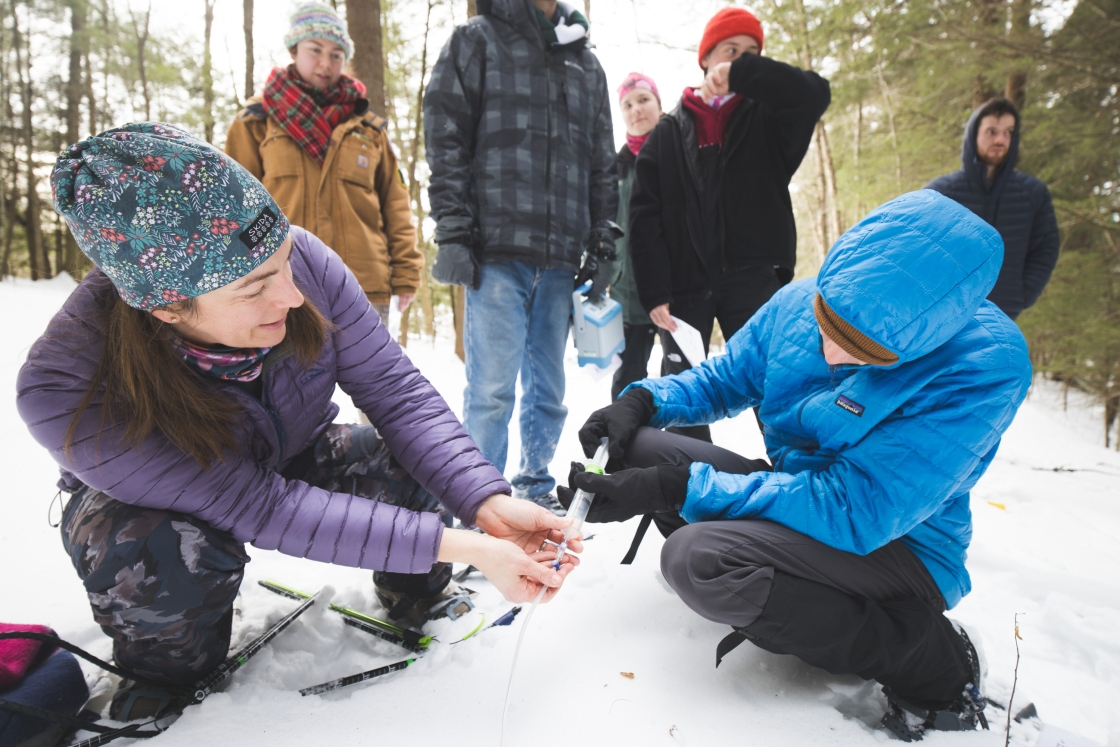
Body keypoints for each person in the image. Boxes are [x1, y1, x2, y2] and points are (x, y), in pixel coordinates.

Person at [18, 123, 578, 720]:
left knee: (407, 466)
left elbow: (396, 393)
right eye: (256, 286)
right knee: (157, 551)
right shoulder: (67, 389)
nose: (291, 294)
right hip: (159, 506)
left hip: (288, 452)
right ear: (167, 307)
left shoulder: (302, 262)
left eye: (285, 261)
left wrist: (484, 502)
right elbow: (258, 505)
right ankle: (165, 665)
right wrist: (460, 542)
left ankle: (416, 592)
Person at [563, 190, 1031, 740]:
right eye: (827, 323)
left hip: (898, 547)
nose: (832, 353)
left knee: (696, 559)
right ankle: (766, 584)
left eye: (864, 350)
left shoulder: (981, 368)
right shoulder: (797, 302)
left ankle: (931, 657)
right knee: (641, 445)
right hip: (802, 496)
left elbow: (857, 509)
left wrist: (678, 488)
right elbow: (723, 379)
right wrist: (640, 402)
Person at [423, 0, 618, 514]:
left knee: (550, 389)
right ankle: (478, 501)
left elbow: (602, 161)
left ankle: (533, 485)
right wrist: (454, 230)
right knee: (491, 389)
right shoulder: (477, 40)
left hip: (559, 256)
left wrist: (601, 238)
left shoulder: (585, 62)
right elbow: (445, 138)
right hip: (495, 250)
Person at [628, 7, 830, 442]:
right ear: (706, 56)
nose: (740, 60)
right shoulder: (664, 135)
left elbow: (814, 94)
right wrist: (655, 292)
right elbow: (644, 218)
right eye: (730, 50)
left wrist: (745, 74)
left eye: (750, 54)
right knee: (682, 388)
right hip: (682, 288)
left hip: (752, 277)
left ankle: (793, 482)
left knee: (772, 380)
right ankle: (681, 494)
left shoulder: (770, 121)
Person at [224, 3, 420, 322]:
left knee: (368, 373)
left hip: (364, 286)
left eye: (336, 55)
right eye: (315, 50)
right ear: (294, 49)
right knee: (295, 373)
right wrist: (244, 275)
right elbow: (234, 208)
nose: (325, 63)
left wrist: (406, 272)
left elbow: (395, 203)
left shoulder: (369, 129)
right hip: (285, 286)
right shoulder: (255, 122)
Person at [926, 97, 1059, 320]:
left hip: (1003, 315)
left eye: (1008, 132)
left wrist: (1024, 294)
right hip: (945, 315)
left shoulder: (1033, 193)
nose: (1001, 139)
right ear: (973, 135)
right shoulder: (941, 192)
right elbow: (922, 248)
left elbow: (1046, 248)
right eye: (992, 131)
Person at [610, 72, 663, 402]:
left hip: (677, 294)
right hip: (627, 295)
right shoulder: (614, 167)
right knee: (628, 378)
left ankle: (678, 451)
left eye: (643, 100)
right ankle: (622, 451)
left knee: (682, 380)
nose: (636, 110)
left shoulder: (680, 154)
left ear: (659, 104)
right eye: (627, 105)